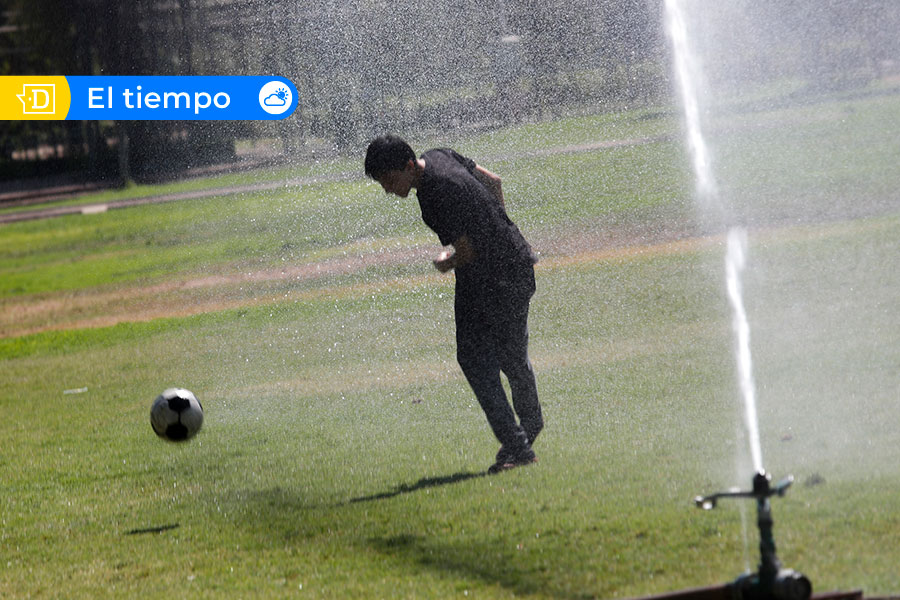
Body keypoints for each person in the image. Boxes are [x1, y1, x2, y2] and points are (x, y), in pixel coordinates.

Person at [364, 134, 543, 473]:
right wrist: (500, 229)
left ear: (406, 166)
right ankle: (524, 436)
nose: (388, 189)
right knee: (503, 357)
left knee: (486, 360)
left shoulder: (435, 194)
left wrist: (445, 261)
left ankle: (520, 446)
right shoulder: (438, 155)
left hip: (497, 276)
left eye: (388, 180)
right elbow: (493, 181)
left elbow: (468, 251)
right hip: (507, 264)